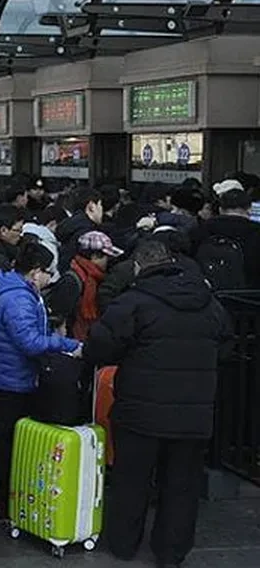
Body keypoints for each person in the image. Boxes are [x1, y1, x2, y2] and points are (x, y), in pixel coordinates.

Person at [83, 240, 231, 567]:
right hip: (194, 411)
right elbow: (226, 343)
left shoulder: (134, 302)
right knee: (182, 485)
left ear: (139, 266)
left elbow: (100, 345)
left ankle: (123, 544)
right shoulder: (208, 303)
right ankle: (171, 551)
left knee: (131, 480)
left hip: (140, 409)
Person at [0, 241, 81, 517]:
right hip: (13, 379)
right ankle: (1, 503)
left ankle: (1, 499)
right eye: (48, 272)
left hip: (8, 373)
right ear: (36, 271)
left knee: (6, 440)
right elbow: (28, 341)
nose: (50, 278)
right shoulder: (19, 298)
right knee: (7, 444)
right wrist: (66, 345)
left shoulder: (14, 289)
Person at [68, 230, 123, 341]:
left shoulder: (93, 277)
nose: (108, 261)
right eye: (106, 257)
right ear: (95, 256)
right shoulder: (74, 280)